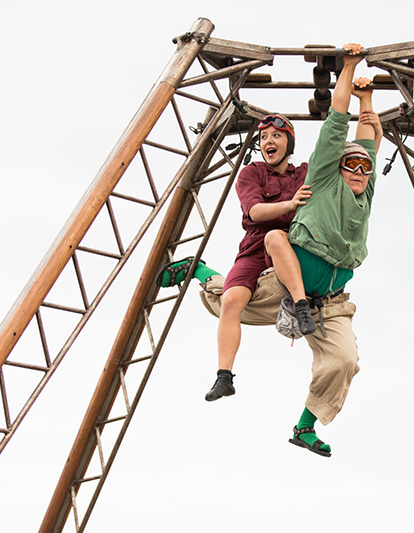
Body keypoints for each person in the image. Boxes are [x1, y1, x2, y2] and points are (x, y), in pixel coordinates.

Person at [260, 42, 380, 457]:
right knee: (231, 301)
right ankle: (195, 271)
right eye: (353, 165)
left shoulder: (364, 192)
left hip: (327, 302)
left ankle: (304, 426)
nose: (360, 171)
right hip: (289, 278)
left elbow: (368, 135)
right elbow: (340, 121)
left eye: (365, 167)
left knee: (344, 361)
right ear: (337, 166)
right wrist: (349, 68)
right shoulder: (327, 177)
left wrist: (369, 98)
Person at [157, 113, 312, 401]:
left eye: (276, 136)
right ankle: (224, 376)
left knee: (284, 270)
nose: (268, 141)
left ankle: (302, 306)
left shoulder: (304, 173)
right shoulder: (251, 174)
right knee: (229, 300)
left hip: (294, 245)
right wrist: (290, 203)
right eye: (264, 137)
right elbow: (254, 212)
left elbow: (341, 159)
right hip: (255, 246)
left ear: (289, 144)